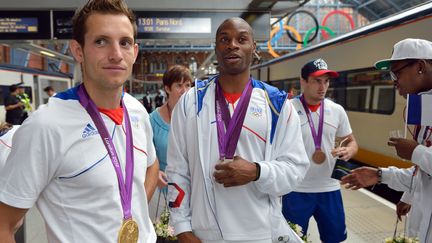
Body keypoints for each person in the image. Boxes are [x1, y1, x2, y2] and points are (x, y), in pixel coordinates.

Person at [0, 0, 159, 242]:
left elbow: (152, 165)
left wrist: (132, 211)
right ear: (78, 51)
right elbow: (4, 225)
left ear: (135, 52)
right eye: (101, 41)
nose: (116, 54)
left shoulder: (136, 111)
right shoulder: (46, 126)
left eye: (124, 42)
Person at [166, 17, 309, 243]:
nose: (232, 44)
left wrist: (256, 171)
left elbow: (295, 171)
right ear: (216, 48)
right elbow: (177, 169)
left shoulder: (278, 105)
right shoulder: (191, 102)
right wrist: (182, 228)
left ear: (254, 48)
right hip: (204, 233)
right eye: (225, 39)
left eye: (241, 39)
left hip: (258, 234)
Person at [340, 38, 432, 242]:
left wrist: (416, 152)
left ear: (420, 67)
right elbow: (425, 174)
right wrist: (380, 175)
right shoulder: (425, 106)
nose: (393, 80)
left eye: (397, 72)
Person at [282, 58, 358, 243]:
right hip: (295, 189)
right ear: (303, 81)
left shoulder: (337, 110)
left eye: (326, 81)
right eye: (317, 80)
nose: (322, 86)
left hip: (329, 188)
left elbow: (352, 142)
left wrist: (349, 151)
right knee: (293, 240)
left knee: (334, 239)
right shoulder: (288, 109)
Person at [148, 65, 192, 219]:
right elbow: (143, 157)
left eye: (188, 85)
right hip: (161, 193)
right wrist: (155, 173)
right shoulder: (151, 120)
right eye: (179, 85)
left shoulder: (196, 118)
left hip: (190, 191)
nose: (185, 90)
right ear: (167, 88)